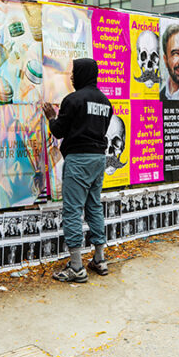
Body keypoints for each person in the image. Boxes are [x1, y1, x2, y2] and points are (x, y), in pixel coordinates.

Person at [43, 58, 112, 283]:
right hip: (98, 160)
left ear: (83, 74)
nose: (71, 77)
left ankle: (76, 266)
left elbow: (59, 130)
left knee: (72, 210)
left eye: (74, 73)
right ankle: (100, 259)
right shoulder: (105, 102)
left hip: (79, 160)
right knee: (93, 206)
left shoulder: (73, 100)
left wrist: (52, 118)